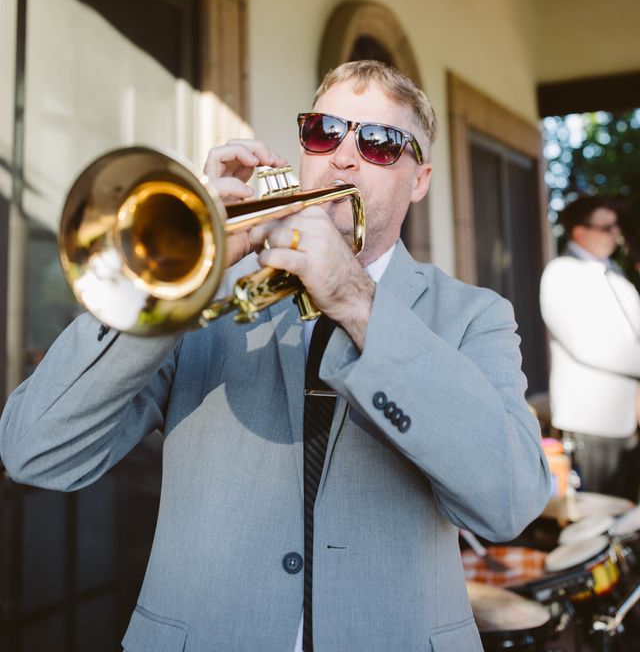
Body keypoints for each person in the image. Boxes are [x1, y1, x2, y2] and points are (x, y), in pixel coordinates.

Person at [0, 60, 550, 652]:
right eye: (324, 132)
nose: (343, 157)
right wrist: (173, 275)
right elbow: (36, 451)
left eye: (380, 142)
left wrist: (357, 301)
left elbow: (509, 501)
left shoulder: (473, 316)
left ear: (420, 179)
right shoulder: (197, 303)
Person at [540, 195, 640, 500]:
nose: (615, 234)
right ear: (580, 232)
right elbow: (589, 344)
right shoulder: (562, 272)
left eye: (615, 226)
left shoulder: (616, 273)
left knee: (626, 510)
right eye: (606, 227)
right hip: (590, 420)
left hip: (627, 419)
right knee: (598, 510)